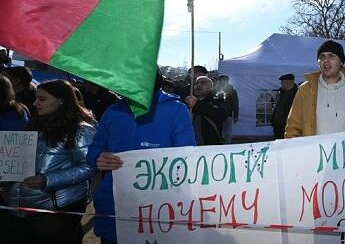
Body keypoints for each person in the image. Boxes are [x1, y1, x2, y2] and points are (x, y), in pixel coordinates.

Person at [86, 71, 196, 244]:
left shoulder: (175, 110)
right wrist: (97, 158)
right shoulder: (113, 111)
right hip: (114, 204)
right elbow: (95, 148)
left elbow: (186, 156)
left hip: (157, 208)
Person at [1, 79, 96, 244]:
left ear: (61, 100)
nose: (35, 103)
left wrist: (47, 180)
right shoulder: (33, 125)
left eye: (42, 99)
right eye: (36, 98)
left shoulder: (80, 130)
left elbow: (89, 166)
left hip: (56, 212)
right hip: (17, 210)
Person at [285, 40, 345, 137]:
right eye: (322, 57)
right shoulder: (305, 90)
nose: (326, 60)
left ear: (341, 61)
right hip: (315, 153)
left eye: (331, 56)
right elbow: (293, 128)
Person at [184, 76, 229, 145]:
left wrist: (197, 104)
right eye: (196, 83)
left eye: (203, 83)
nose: (199, 85)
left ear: (211, 88)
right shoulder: (186, 103)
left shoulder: (217, 101)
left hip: (209, 146)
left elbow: (221, 114)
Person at [271, 73, 298, 139]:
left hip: (288, 127)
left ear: (288, 82)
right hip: (277, 126)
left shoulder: (297, 94)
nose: (281, 83)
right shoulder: (280, 91)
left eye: (282, 82)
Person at [216, 74, 239, 144]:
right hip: (216, 114)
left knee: (228, 133)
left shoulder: (232, 91)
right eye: (220, 80)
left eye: (224, 80)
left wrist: (235, 115)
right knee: (217, 132)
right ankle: (217, 146)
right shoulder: (215, 90)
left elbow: (235, 104)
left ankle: (227, 147)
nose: (222, 82)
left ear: (227, 81)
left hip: (228, 114)